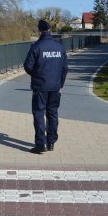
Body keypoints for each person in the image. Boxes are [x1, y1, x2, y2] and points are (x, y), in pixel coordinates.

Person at [24, 20, 68, 154]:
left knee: (39, 114)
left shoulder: (37, 47)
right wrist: (60, 83)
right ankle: (51, 142)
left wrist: (37, 75)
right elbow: (65, 68)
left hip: (40, 87)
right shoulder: (60, 47)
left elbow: (28, 66)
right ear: (50, 30)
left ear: (40, 31)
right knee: (53, 114)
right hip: (55, 87)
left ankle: (40, 144)